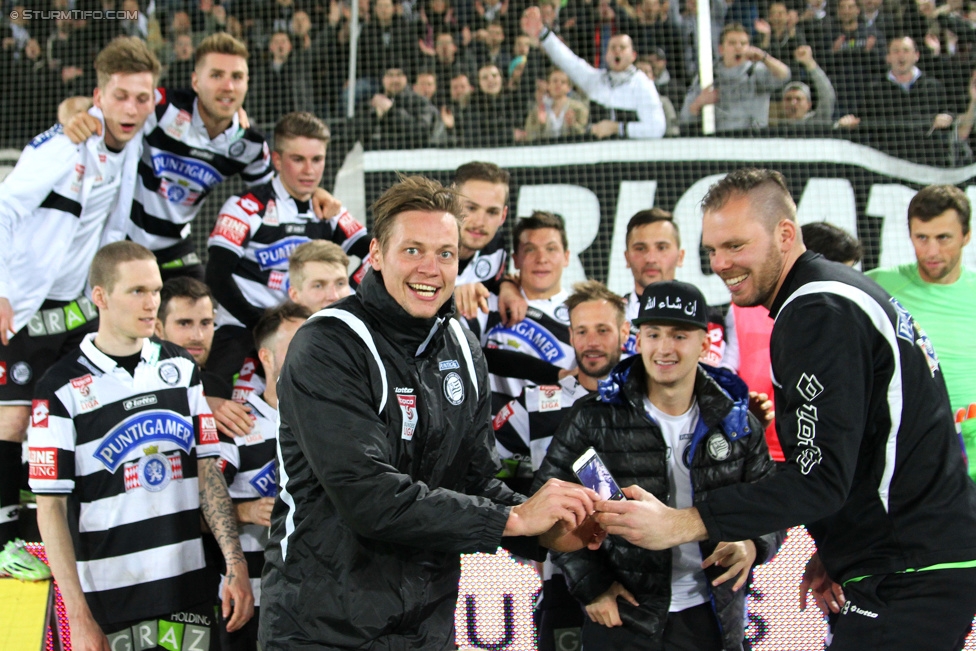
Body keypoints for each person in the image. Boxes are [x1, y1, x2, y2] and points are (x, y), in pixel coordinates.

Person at [596, 168, 976, 651]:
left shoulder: (819, 311)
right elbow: (863, 447)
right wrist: (839, 549)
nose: (721, 263)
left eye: (736, 245)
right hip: (911, 557)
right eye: (713, 249)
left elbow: (820, 478)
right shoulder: (833, 297)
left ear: (785, 234)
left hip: (910, 568)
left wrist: (683, 522)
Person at [259, 175, 601, 649]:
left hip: (429, 625)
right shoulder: (328, 343)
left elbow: (473, 478)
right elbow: (369, 498)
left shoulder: (461, 344)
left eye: (445, 253)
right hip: (322, 629)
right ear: (376, 254)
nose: (431, 269)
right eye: (413, 250)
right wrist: (514, 521)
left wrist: (544, 530)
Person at [28, 242, 253, 649]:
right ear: (100, 297)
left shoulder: (182, 369)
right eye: (137, 292)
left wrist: (235, 564)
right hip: (109, 601)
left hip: (190, 590)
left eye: (155, 290)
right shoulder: (58, 390)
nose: (152, 303)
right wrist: (77, 615)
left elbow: (207, 470)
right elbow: (50, 509)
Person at [536, 280, 779, 650]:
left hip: (712, 619)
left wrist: (754, 543)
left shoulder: (736, 419)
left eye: (679, 335)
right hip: (623, 617)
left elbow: (773, 503)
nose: (664, 348)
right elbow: (548, 508)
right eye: (653, 334)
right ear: (638, 340)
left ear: (705, 343)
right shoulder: (592, 417)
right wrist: (591, 587)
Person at [0, 36, 159, 550]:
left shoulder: (130, 141)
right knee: (13, 417)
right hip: (21, 307)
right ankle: (5, 542)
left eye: (142, 97)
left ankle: (52, 537)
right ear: (99, 95)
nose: (131, 107)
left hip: (72, 308)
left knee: (65, 414)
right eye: (120, 96)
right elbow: (4, 208)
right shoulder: (62, 145)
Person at [60, 32, 343, 281]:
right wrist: (73, 113)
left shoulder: (250, 145)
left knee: (200, 311)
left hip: (175, 245)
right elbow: (105, 105)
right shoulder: (162, 106)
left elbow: (277, 190)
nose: (228, 87)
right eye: (216, 75)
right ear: (196, 81)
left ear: (247, 83)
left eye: (237, 77)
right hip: (121, 237)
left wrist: (315, 190)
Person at [493, 280, 629, 651]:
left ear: (624, 331)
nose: (592, 342)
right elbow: (491, 474)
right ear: (570, 334)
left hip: (644, 576)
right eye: (582, 331)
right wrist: (535, 531)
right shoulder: (537, 402)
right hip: (563, 580)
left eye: (603, 330)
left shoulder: (649, 399)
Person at [205, 112, 369, 386]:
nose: (309, 170)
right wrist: (263, 323)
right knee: (216, 396)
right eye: (298, 159)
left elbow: (377, 254)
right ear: (278, 160)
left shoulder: (330, 211)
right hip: (246, 326)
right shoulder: (244, 207)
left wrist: (347, 296)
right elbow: (216, 276)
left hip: (310, 327)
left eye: (317, 159)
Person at [217, 301, 310, 651]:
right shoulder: (236, 425)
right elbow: (195, 512)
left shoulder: (336, 421)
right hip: (252, 599)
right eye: (298, 346)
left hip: (323, 601)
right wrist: (244, 511)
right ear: (266, 358)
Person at [867, 185, 976, 480]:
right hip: (909, 458)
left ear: (966, 235)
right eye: (922, 238)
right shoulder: (876, 288)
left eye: (943, 238)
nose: (932, 251)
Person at [521, 6, 667, 139]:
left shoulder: (642, 84)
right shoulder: (596, 81)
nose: (616, 51)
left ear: (633, 55)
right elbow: (568, 61)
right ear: (606, 55)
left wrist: (617, 128)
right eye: (612, 47)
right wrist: (542, 32)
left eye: (622, 48)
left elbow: (657, 128)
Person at [621, 208, 728, 366]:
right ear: (627, 258)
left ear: (680, 256)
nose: (651, 258)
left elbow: (706, 372)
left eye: (662, 247)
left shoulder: (705, 317)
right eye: (640, 248)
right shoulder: (612, 317)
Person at [680, 23, 791, 131]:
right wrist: (699, 102)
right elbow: (684, 118)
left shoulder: (757, 71)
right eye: (732, 43)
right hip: (718, 141)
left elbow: (785, 76)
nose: (738, 47)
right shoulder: (708, 76)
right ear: (721, 49)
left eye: (743, 43)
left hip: (754, 140)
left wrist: (764, 57)